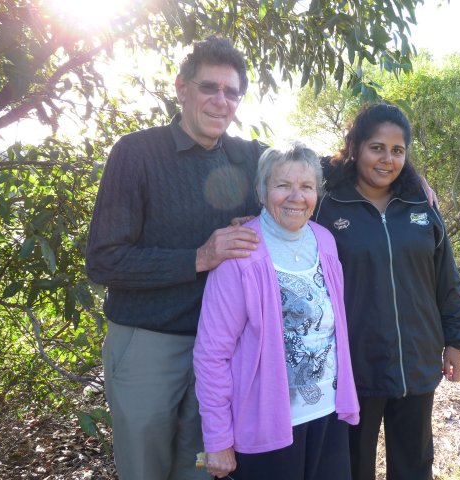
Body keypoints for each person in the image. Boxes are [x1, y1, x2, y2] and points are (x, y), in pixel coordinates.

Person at [85, 36, 264, 480]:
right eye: (209, 88)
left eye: (232, 92)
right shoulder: (136, 153)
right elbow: (104, 260)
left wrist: (410, 182)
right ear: (181, 87)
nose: (221, 102)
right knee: (144, 469)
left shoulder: (249, 157)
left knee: (203, 469)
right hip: (149, 343)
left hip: (221, 352)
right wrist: (200, 257)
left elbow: (324, 172)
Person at [314, 103, 460, 480]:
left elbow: (446, 278)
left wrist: (456, 340)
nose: (387, 159)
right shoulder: (326, 204)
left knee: (414, 464)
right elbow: (289, 166)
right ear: (355, 147)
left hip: (416, 360)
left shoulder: (421, 205)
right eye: (376, 147)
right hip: (355, 364)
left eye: (397, 150)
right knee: (353, 467)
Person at [194, 142, 360, 480]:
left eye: (307, 187)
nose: (296, 197)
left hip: (328, 414)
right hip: (266, 428)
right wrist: (218, 439)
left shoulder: (325, 240)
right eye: (283, 185)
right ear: (261, 190)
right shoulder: (241, 251)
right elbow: (212, 355)